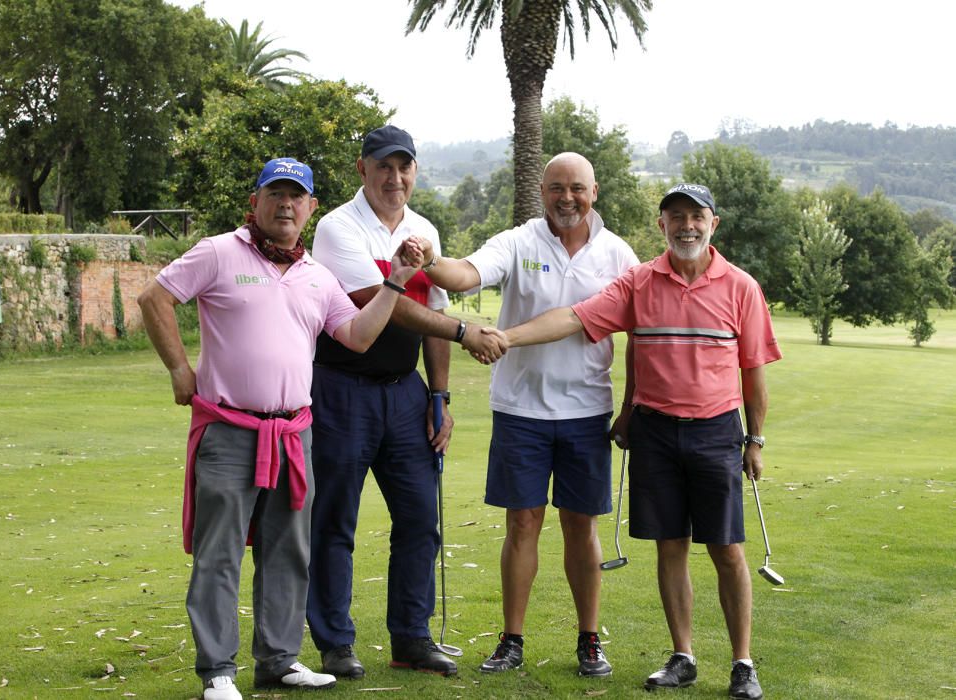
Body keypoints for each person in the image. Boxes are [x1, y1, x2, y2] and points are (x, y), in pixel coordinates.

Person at [137, 158, 423, 700]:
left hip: (294, 435)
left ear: (311, 207)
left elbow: (358, 336)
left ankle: (279, 660)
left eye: (297, 196)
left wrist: (396, 282)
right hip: (229, 431)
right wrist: (180, 368)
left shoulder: (318, 276)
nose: (286, 205)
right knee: (219, 552)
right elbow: (155, 297)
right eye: (276, 194)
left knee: (289, 550)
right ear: (256, 201)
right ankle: (217, 671)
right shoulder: (220, 252)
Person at [494, 183, 782, 700]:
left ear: (713, 224)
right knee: (670, 547)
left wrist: (755, 440)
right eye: (676, 217)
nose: (686, 226)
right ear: (662, 225)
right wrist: (506, 337)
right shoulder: (639, 283)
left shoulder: (741, 287)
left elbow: (753, 370)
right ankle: (683, 656)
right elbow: (575, 318)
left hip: (717, 430)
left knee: (727, 550)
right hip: (655, 432)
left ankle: (743, 663)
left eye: (696, 217)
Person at [404, 152, 638, 677]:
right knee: (523, 523)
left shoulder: (618, 254)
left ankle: (589, 639)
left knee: (582, 526)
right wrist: (428, 261)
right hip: (521, 409)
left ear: (594, 192)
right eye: (556, 188)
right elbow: (465, 275)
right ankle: (511, 639)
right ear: (542, 192)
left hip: (586, 409)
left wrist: (630, 407)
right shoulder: (518, 240)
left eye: (577, 188)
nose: (567, 198)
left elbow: (639, 334)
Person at [306, 125, 504, 679]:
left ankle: (411, 638)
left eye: (404, 167)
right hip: (342, 387)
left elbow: (431, 322)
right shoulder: (337, 228)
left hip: (404, 391)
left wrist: (438, 394)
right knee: (334, 520)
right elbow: (377, 301)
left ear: (415, 171)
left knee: (420, 518)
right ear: (362, 168)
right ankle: (335, 642)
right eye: (383, 166)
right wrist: (466, 329)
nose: (395, 178)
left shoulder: (423, 230)